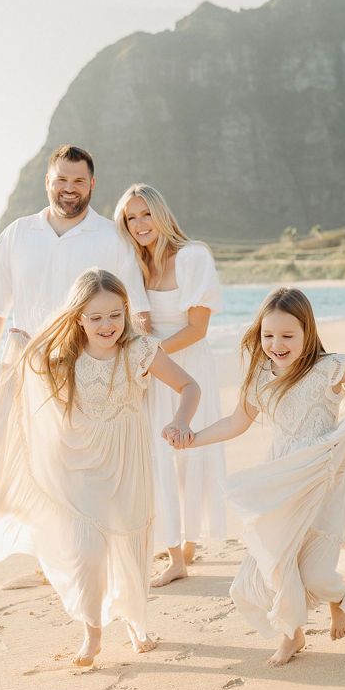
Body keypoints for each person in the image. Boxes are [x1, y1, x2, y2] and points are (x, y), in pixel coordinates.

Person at [0, 270, 200, 667]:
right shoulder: (63, 356)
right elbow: (23, 373)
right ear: (77, 317)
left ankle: (135, 622)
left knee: (130, 545)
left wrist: (181, 420)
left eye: (114, 314)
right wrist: (6, 352)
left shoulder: (141, 349)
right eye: (94, 317)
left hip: (128, 463)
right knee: (87, 549)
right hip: (78, 463)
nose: (106, 325)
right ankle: (92, 633)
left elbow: (189, 386)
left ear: (126, 311)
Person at [163, 287, 345, 668]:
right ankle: (292, 634)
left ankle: (339, 597)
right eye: (269, 335)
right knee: (277, 562)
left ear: (307, 332)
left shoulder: (328, 367)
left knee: (316, 574)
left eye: (288, 336)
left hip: (321, 478)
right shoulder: (259, 377)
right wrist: (193, 438)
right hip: (280, 480)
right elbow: (237, 422)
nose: (277, 344)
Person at [115, 184, 226, 587]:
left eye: (146, 214)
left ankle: (186, 548)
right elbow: (133, 320)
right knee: (160, 457)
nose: (140, 224)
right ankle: (176, 550)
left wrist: (149, 355)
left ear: (161, 214)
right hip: (151, 368)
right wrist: (143, 361)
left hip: (188, 364)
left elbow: (198, 328)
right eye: (131, 218)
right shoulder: (133, 264)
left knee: (189, 454)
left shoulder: (193, 256)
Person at [0, 144, 150, 398]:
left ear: (92, 184)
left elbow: (138, 311)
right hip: (28, 374)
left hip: (94, 378)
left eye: (79, 180)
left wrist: (139, 372)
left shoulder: (114, 238)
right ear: (48, 182)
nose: (69, 188)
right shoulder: (17, 234)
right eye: (61, 180)